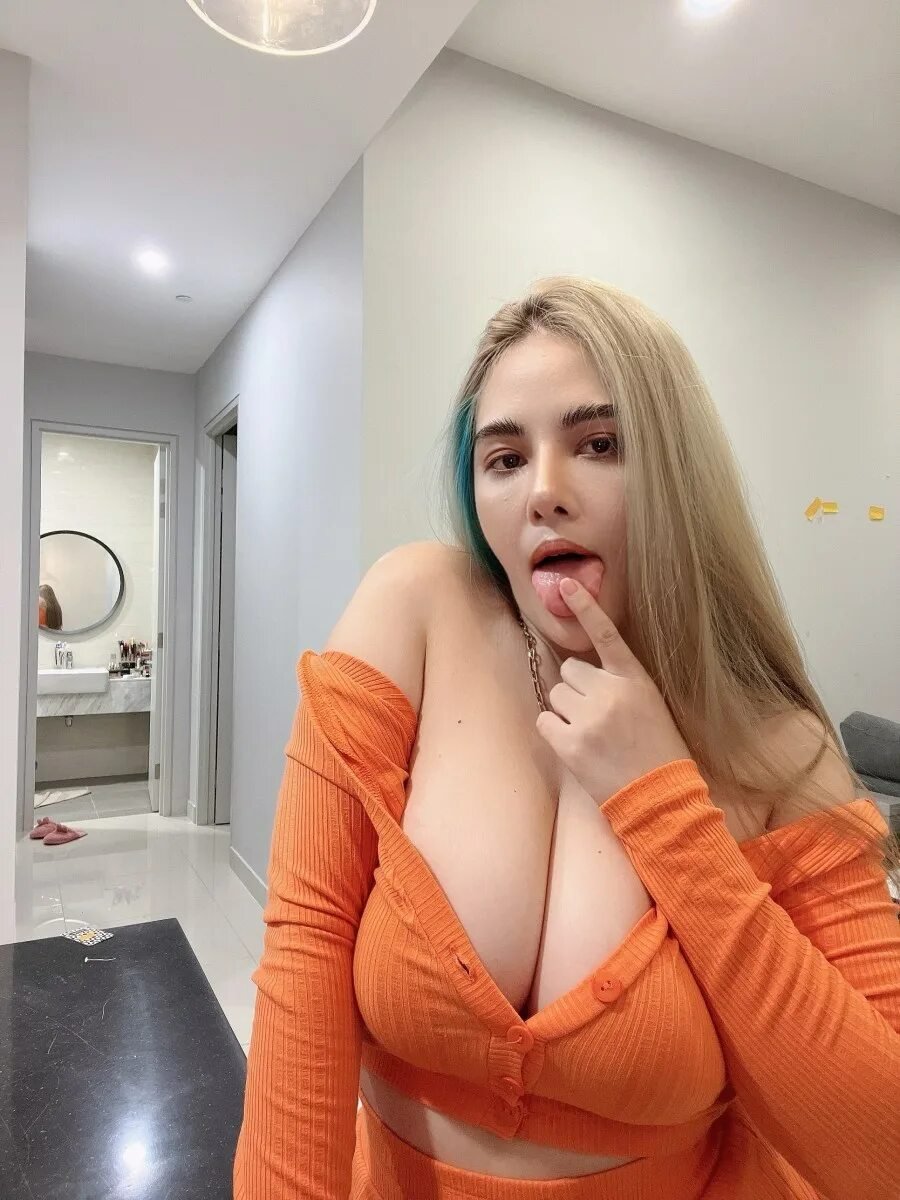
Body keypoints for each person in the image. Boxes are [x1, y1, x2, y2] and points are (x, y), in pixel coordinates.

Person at [234, 279, 900, 1199]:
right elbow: (303, 955)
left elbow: (880, 1158)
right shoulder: (415, 609)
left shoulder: (778, 746)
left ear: (677, 473)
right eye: (505, 459)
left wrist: (667, 806)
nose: (544, 492)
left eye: (599, 445)